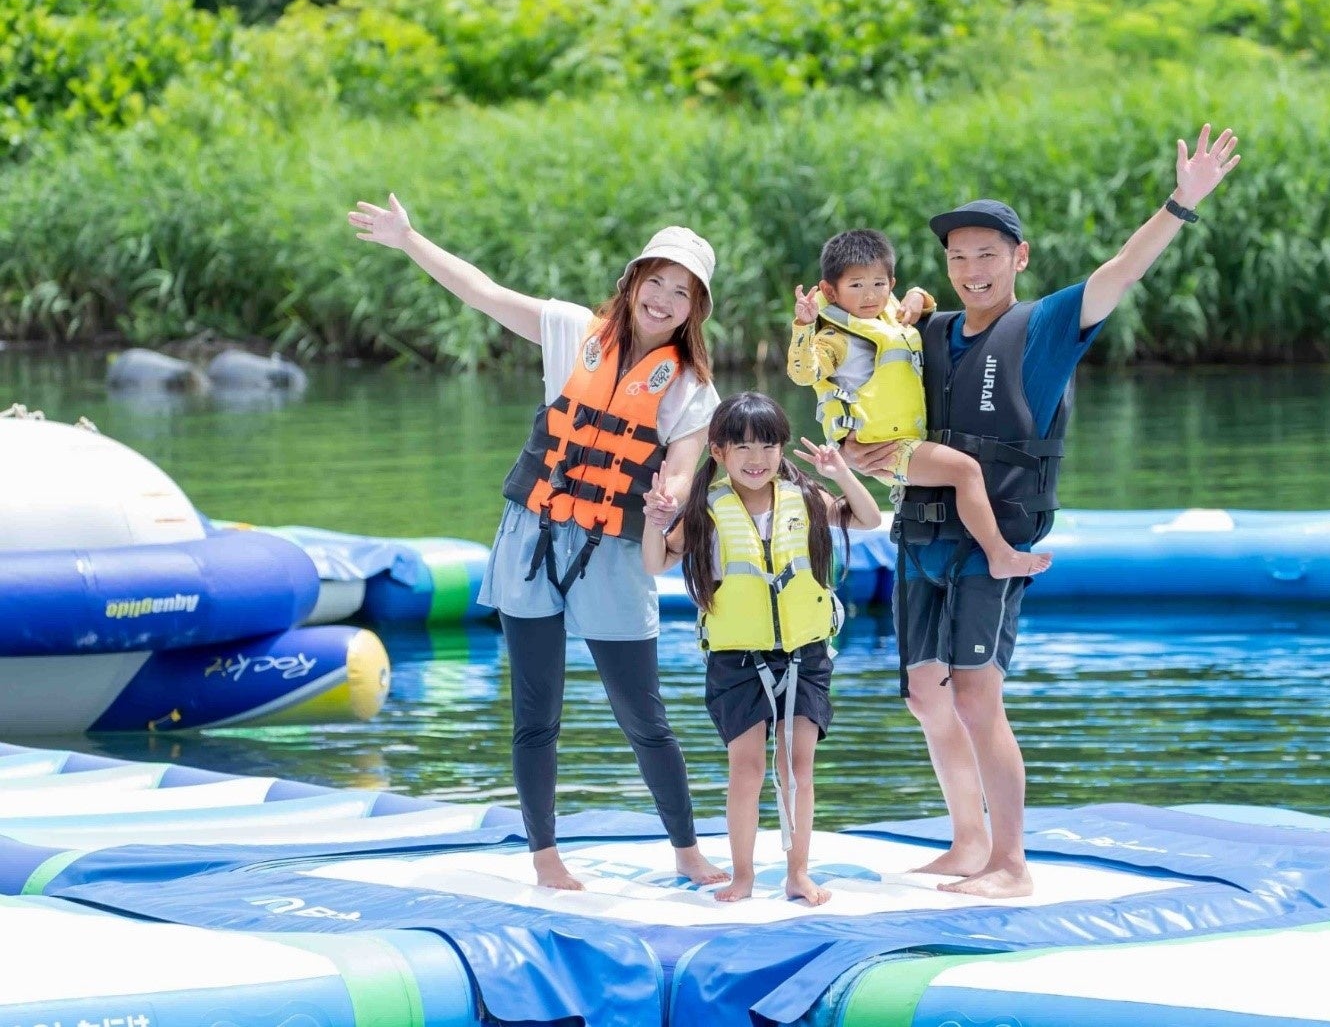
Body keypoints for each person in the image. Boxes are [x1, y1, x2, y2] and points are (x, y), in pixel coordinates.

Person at [843, 125, 1242, 898]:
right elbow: (876, 405)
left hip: (994, 537)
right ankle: (967, 842)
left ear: (1017, 258)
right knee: (924, 690)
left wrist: (1180, 204)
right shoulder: (924, 333)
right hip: (923, 529)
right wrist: (867, 452)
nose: (970, 269)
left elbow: (1121, 270)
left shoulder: (1048, 325)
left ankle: (1011, 863)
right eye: (957, 256)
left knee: (973, 691)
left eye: (986, 254)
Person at [348, 194, 730, 891]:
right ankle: (544, 855)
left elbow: (680, 467)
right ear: (634, 279)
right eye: (658, 281)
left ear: (693, 310)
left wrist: (667, 498)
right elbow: (479, 290)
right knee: (535, 713)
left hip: (613, 553)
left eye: (683, 292)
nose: (665, 298)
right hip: (531, 539)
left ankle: (686, 849)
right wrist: (408, 239)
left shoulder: (692, 391)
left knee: (643, 715)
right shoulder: (568, 330)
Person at [642, 391, 882, 904]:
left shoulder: (806, 499)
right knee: (746, 767)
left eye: (768, 446)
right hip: (737, 657)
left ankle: (798, 874)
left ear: (782, 450)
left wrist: (841, 472)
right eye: (744, 446)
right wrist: (653, 518)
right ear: (718, 451)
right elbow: (655, 562)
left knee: (799, 764)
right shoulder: (706, 511)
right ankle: (744, 875)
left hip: (805, 652)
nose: (757, 459)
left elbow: (868, 518)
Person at [787, 229, 1053, 580]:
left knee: (963, 470)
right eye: (856, 286)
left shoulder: (885, 315)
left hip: (904, 440)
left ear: (890, 282)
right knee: (966, 471)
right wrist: (804, 326)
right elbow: (804, 373)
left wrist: (916, 297)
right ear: (830, 292)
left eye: (879, 284)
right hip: (881, 446)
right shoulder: (834, 340)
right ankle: (999, 554)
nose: (870, 296)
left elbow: (918, 302)